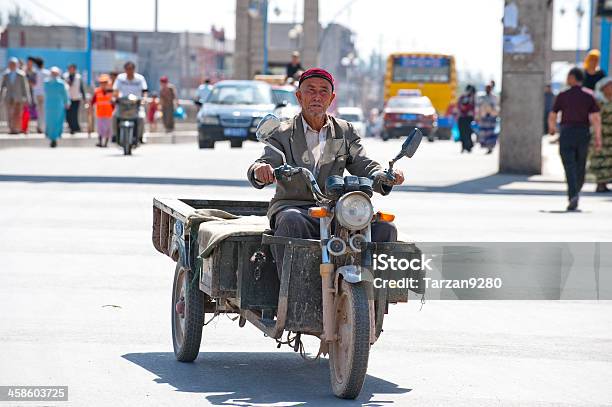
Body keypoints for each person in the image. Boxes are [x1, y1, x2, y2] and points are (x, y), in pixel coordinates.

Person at [247, 68, 405, 278]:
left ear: (331, 98)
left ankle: (372, 301)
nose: (317, 96)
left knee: (385, 228)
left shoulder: (344, 131)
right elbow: (267, 160)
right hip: (296, 208)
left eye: (323, 92)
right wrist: (261, 170)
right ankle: (290, 294)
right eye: (310, 90)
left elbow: (363, 163)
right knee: (291, 221)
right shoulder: (282, 133)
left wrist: (383, 176)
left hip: (338, 211)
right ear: (299, 96)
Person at [548, 67, 602, 210]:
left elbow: (553, 114)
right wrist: (598, 137)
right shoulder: (589, 95)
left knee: (569, 165)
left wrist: (552, 129)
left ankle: (573, 194)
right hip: (583, 133)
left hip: (567, 132)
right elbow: (596, 118)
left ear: (572, 78)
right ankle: (575, 192)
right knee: (580, 165)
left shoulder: (563, 95)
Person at [112, 61, 148, 142]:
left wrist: (144, 99)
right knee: (114, 116)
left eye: (131, 69)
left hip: (136, 104)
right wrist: (114, 98)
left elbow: (144, 91)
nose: (129, 71)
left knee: (141, 118)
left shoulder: (140, 78)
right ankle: (115, 135)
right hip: (123, 104)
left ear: (134, 69)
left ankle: (140, 136)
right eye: (127, 69)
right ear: (125, 70)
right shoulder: (120, 78)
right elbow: (115, 90)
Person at [591, 77, 612, 192]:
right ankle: (600, 183)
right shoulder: (598, 100)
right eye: (609, 86)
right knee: (600, 159)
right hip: (602, 133)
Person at [1, 57, 31, 134]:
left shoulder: (21, 74)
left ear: (17, 65)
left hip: (19, 98)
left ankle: (16, 129)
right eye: (11, 64)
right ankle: (11, 128)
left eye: (14, 64)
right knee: (9, 113)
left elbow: (25, 87)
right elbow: (2, 86)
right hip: (9, 97)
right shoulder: (6, 74)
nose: (12, 65)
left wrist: (28, 98)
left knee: (18, 114)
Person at [44, 67, 69, 148]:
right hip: (49, 105)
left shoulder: (61, 83)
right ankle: (51, 137)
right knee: (50, 121)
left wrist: (66, 102)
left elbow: (65, 94)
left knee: (57, 121)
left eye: (55, 73)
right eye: (52, 73)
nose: (54, 75)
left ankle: (55, 137)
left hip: (58, 105)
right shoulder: (46, 83)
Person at [91, 74, 114, 147]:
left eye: (105, 82)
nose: (103, 84)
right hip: (100, 113)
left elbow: (114, 102)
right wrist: (90, 107)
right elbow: (93, 101)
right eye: (102, 83)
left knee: (108, 129)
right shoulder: (97, 91)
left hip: (109, 113)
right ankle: (100, 142)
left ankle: (106, 143)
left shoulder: (111, 91)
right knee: (100, 129)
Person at [63, 64, 85, 134]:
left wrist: (84, 98)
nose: (71, 70)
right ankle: (70, 126)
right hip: (67, 98)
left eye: (72, 69)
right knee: (68, 114)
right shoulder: (65, 76)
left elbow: (81, 88)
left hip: (76, 98)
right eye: (70, 68)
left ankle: (75, 128)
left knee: (74, 114)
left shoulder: (78, 77)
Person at [476, 84, 499, 154]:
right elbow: (479, 107)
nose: (487, 89)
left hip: (492, 118)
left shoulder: (494, 97)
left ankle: (490, 147)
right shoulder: (482, 97)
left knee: (491, 134)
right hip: (484, 118)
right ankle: (486, 146)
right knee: (484, 133)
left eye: (489, 88)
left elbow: (496, 107)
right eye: (486, 88)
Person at [456, 85, 476, 153]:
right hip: (462, 117)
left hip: (468, 118)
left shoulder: (472, 98)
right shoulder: (463, 97)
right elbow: (460, 106)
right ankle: (464, 147)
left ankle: (468, 146)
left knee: (468, 133)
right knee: (462, 133)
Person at [32, 57, 49, 134]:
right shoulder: (46, 73)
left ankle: (39, 127)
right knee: (44, 112)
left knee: (38, 111)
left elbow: (32, 83)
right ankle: (44, 128)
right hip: (44, 94)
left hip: (36, 94)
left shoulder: (34, 72)